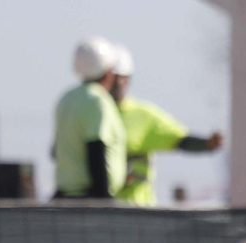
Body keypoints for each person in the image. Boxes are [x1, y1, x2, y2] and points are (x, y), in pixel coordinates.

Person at [108, 46, 224, 207]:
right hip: (94, 210)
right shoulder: (86, 113)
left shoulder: (143, 116)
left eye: (119, 78)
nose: (116, 84)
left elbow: (180, 140)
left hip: (137, 210)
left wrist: (206, 144)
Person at [52, 37, 126, 201]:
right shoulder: (97, 100)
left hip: (64, 196)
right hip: (87, 199)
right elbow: (96, 149)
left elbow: (55, 151)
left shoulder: (67, 98)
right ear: (109, 73)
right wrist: (103, 199)